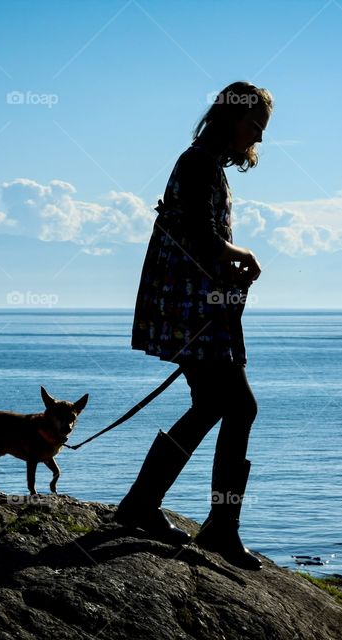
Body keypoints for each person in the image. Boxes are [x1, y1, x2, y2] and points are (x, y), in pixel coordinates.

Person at [114, 81, 272, 571]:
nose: (258, 138)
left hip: (194, 304)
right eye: (254, 126)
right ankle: (218, 527)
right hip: (194, 307)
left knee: (215, 405)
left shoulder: (199, 162)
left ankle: (145, 504)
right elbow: (203, 239)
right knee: (237, 406)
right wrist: (243, 253)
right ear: (230, 118)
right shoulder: (199, 163)